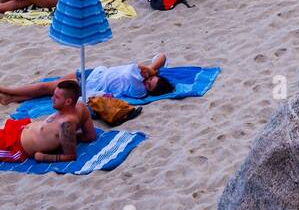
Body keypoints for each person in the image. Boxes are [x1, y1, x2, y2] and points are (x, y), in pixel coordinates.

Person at [0, 54, 173, 105]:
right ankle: (12, 98)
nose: (147, 81)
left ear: (148, 91)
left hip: (90, 84)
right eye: (151, 80)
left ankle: (6, 90)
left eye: (150, 85)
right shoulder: (146, 78)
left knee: (45, 88)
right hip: (93, 74)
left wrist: (150, 71)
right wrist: (153, 71)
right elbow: (162, 56)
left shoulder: (139, 87)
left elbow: (140, 67)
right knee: (49, 89)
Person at [0, 80, 96, 164]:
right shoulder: (81, 107)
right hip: (19, 128)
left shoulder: (66, 124)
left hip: (15, 146)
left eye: (56, 97)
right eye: (53, 95)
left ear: (68, 101)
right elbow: (90, 136)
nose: (52, 98)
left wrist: (44, 157)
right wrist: (68, 138)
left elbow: (70, 156)